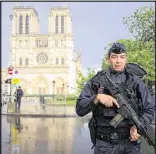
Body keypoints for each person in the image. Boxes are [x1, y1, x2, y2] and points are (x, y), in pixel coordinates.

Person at [76, 42, 155, 154]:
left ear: (126, 59)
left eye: (122, 57)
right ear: (108, 59)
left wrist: (137, 126)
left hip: (131, 143)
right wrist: (97, 98)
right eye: (114, 57)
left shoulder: (135, 81)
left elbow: (151, 108)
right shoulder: (98, 80)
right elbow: (79, 108)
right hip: (105, 145)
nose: (118, 61)